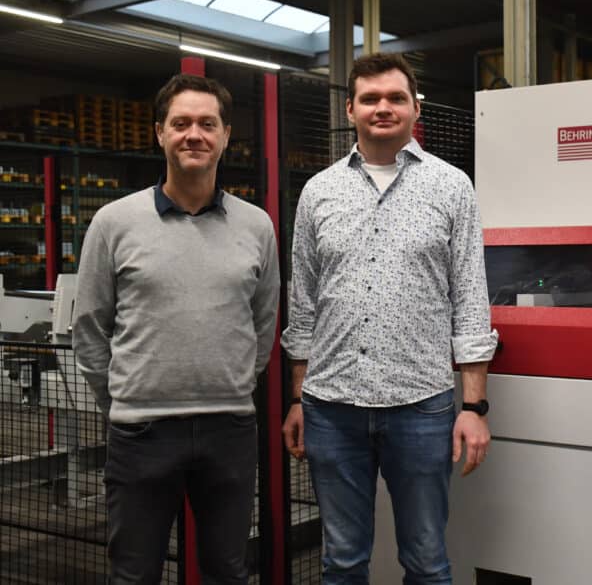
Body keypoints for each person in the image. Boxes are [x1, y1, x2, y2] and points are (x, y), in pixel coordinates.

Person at [281, 52, 497, 584]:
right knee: (341, 561)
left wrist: (474, 406)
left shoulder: (452, 187)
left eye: (396, 97)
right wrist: (298, 399)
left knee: (426, 561)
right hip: (331, 407)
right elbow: (302, 303)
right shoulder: (319, 191)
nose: (383, 107)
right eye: (370, 98)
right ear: (350, 109)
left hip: (420, 405)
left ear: (415, 108)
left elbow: (471, 299)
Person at [73, 73, 281, 585]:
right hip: (141, 432)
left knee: (228, 571)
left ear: (226, 136)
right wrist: (123, 399)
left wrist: (233, 382)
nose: (194, 135)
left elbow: (264, 321)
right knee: (134, 574)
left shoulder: (257, 226)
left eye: (207, 124)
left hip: (229, 429)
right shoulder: (114, 222)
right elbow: (90, 325)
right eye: (181, 123)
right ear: (160, 133)